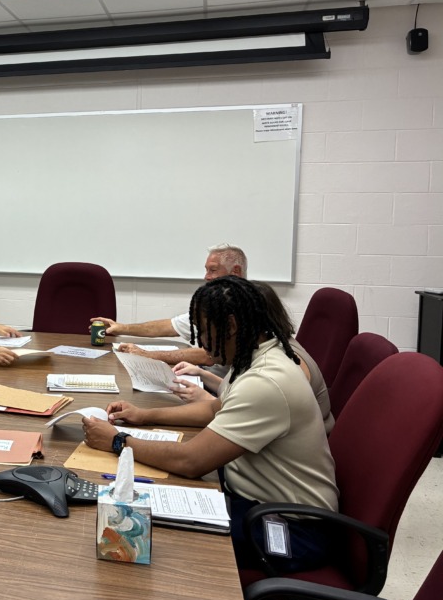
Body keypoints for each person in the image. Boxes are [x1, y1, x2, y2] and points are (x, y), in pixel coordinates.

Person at [82, 276, 338, 573]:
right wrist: (144, 415)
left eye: (203, 331)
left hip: (293, 529)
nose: (201, 342)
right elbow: (215, 408)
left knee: (149, 529)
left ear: (230, 326)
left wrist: (117, 441)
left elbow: (191, 461)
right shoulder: (256, 357)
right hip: (258, 502)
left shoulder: (267, 381)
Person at [170, 280, 334, 435]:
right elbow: (240, 392)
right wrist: (203, 375)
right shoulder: (266, 346)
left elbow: (260, 403)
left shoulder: (279, 367)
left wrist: (206, 398)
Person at [90, 243, 247, 370]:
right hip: (210, 380)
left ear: (236, 271)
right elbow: (170, 326)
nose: (206, 277)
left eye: (213, 270)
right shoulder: (216, 303)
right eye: (206, 270)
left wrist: (148, 355)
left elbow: (209, 355)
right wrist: (121, 327)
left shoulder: (246, 306)